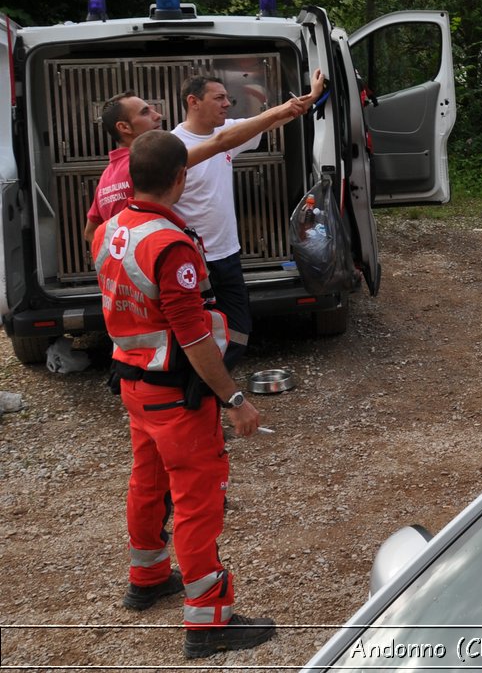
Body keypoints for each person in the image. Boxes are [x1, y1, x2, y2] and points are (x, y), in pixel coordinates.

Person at [93, 130, 275, 659]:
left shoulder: (110, 231)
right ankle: (209, 621)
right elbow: (193, 336)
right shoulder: (169, 245)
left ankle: (147, 576)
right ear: (181, 177)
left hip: (132, 383)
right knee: (197, 501)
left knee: (148, 482)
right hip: (174, 395)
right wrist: (235, 400)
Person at [170, 73, 324, 366]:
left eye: (228, 98)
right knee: (191, 331)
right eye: (219, 98)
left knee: (238, 329)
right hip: (190, 260)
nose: (227, 104)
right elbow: (226, 139)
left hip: (227, 255)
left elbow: (271, 121)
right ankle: (198, 391)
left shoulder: (227, 131)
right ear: (193, 102)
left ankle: (212, 385)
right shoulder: (173, 145)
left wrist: (311, 98)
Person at [83, 78, 324, 244]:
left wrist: (116, 261)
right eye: (146, 112)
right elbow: (220, 143)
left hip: (161, 266)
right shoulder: (157, 156)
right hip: (172, 259)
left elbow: (91, 232)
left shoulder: (107, 176)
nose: (158, 115)